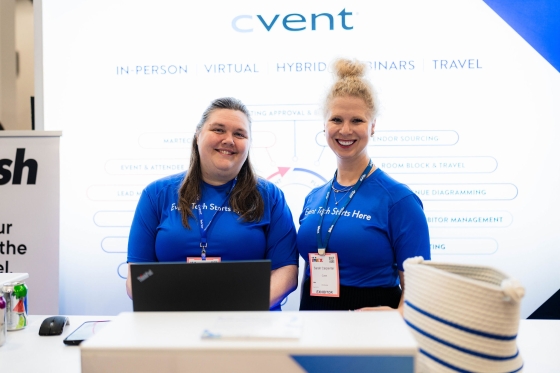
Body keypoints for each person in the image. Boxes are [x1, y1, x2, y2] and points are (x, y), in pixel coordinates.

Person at [126, 97, 298, 310]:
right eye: (218, 130)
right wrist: (177, 309)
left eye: (239, 134)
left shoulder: (270, 197)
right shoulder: (157, 194)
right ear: (198, 135)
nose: (229, 140)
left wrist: (239, 310)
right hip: (173, 326)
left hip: (251, 327)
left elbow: (286, 272)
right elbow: (139, 274)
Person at [296, 59, 430, 312]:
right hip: (314, 322)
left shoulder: (399, 201)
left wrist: (394, 316)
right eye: (336, 119)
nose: (345, 130)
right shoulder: (313, 198)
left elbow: (420, 292)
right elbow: (309, 273)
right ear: (324, 125)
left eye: (357, 120)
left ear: (373, 126)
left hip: (371, 327)